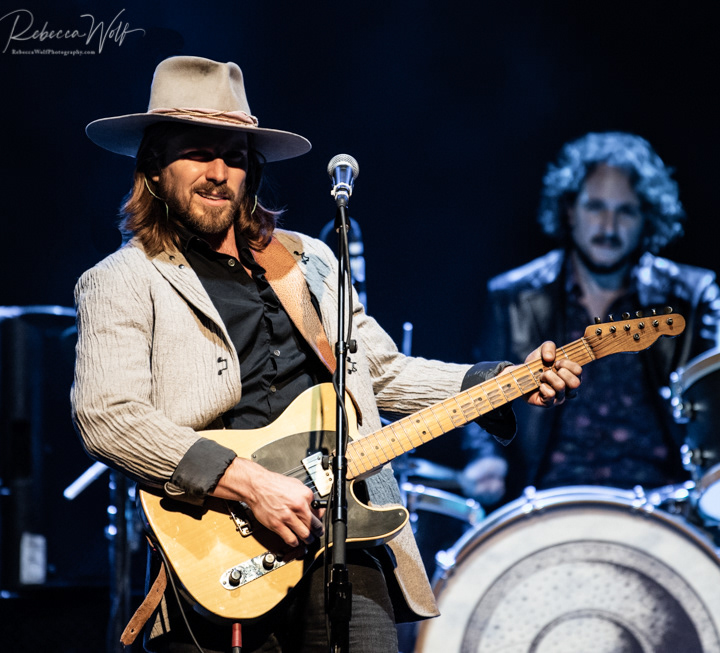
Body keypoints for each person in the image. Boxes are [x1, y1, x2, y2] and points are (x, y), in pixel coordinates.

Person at [70, 55, 581, 653]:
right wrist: (248, 483)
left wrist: (501, 380)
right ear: (155, 170)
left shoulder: (308, 260)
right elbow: (108, 416)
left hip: (346, 532)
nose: (218, 172)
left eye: (234, 156)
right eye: (197, 153)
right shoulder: (121, 280)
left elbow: (380, 373)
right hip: (218, 554)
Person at [461, 131, 720, 509]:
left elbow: (713, 402)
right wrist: (485, 459)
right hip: (549, 507)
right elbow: (484, 397)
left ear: (647, 217)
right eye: (595, 207)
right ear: (570, 210)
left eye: (625, 211)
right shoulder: (513, 295)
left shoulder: (692, 296)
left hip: (663, 509)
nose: (609, 227)